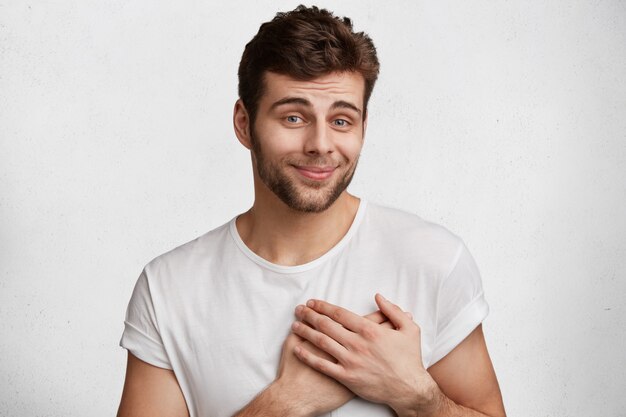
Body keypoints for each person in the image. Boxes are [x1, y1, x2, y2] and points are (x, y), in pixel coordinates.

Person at [117, 5, 506, 417]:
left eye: (341, 120)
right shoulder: (169, 289)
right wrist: (284, 402)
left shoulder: (433, 261)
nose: (320, 143)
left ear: (363, 127)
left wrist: (415, 394)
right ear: (244, 123)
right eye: (294, 116)